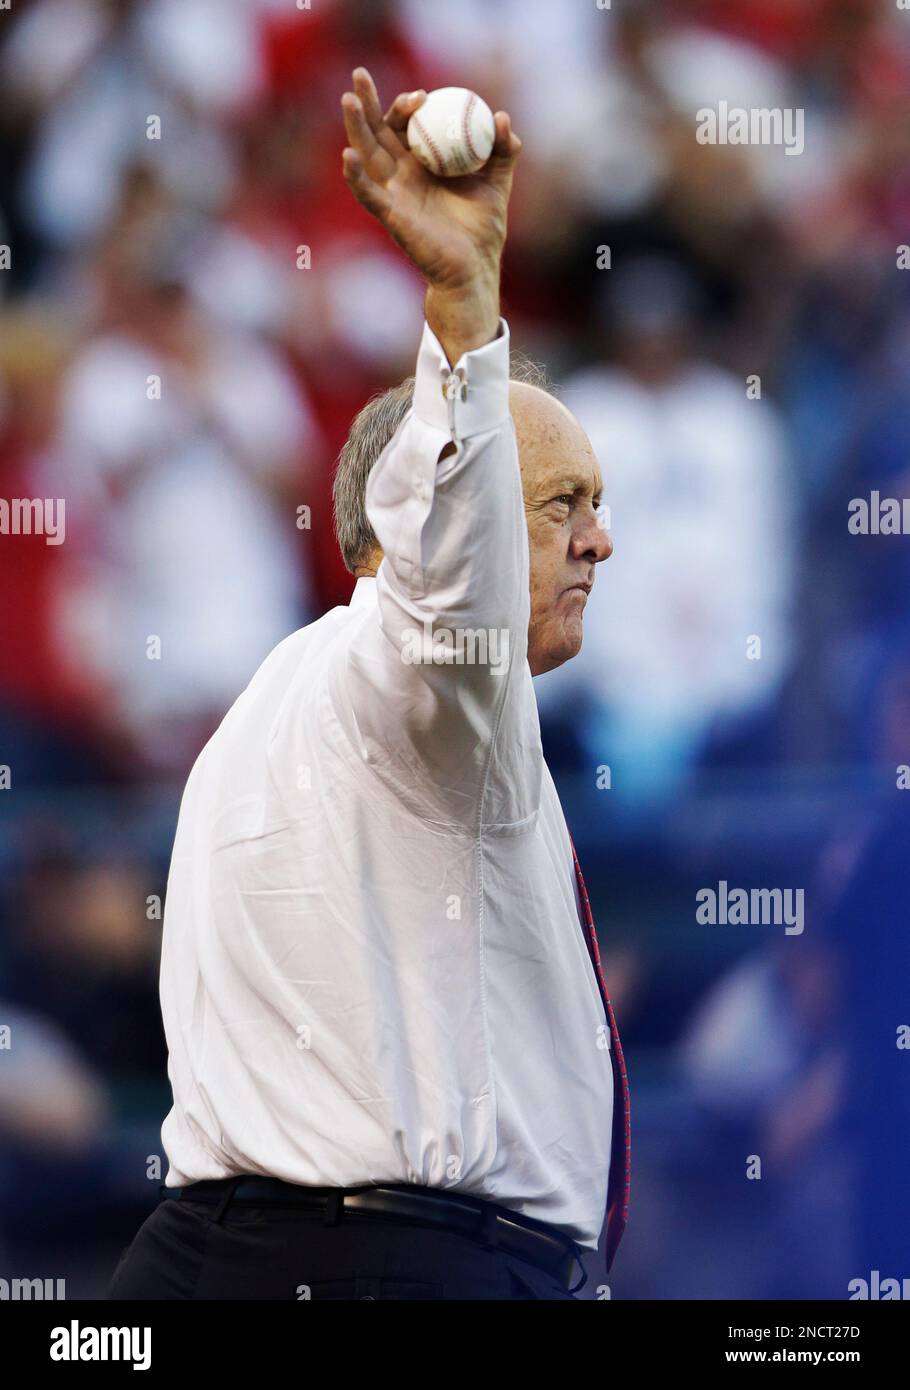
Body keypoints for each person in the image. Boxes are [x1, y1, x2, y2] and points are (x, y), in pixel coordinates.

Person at [108, 67, 626, 1302]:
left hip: (193, 1264)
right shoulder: (428, 669)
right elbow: (449, 569)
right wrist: (460, 299)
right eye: (562, 507)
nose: (601, 543)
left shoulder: (275, 705)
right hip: (405, 1263)